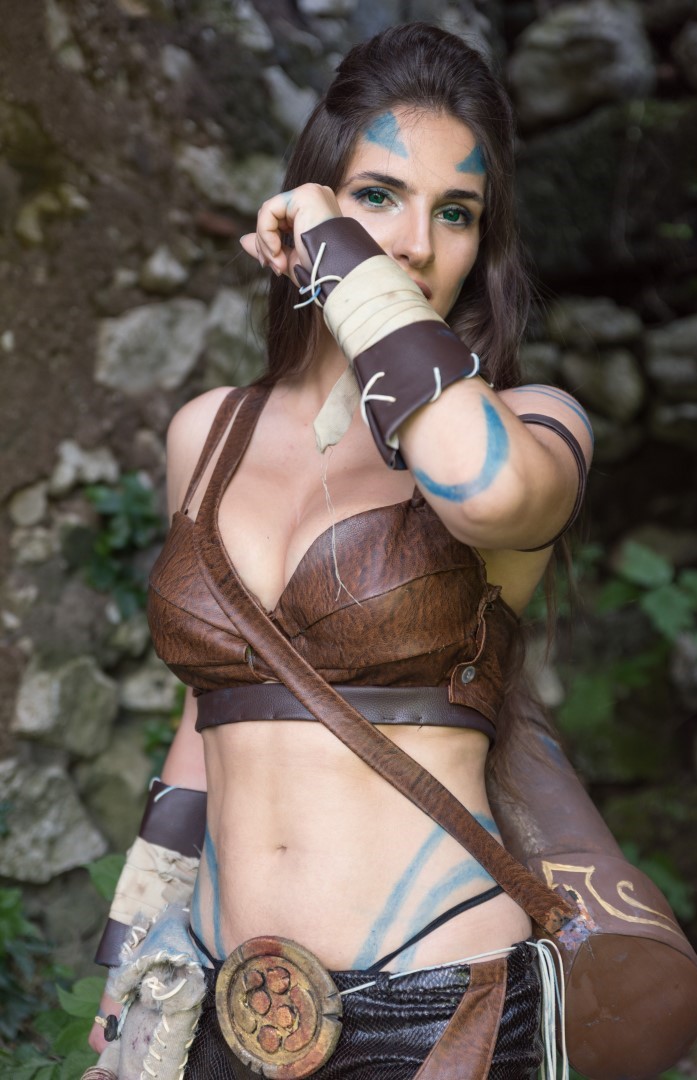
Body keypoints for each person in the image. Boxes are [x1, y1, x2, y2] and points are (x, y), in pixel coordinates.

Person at [89, 21, 592, 1079]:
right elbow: (207, 715)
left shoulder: (532, 427)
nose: (412, 242)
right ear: (309, 198)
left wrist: (341, 248)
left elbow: (481, 489)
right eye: (376, 196)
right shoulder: (208, 432)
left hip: (440, 1007)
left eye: (454, 212)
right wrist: (127, 953)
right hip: (220, 1000)